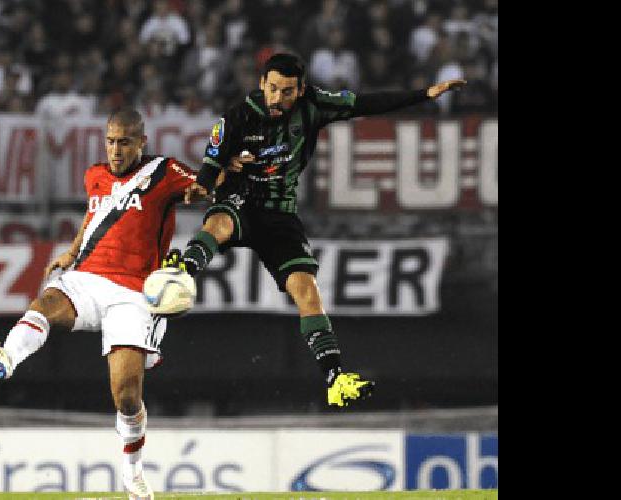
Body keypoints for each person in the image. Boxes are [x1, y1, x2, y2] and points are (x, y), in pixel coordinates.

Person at [167, 53, 466, 407]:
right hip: (241, 199)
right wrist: (201, 187)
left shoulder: (315, 105)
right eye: (273, 89)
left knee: (307, 293)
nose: (279, 98)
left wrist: (423, 94)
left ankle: (335, 377)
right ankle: (182, 271)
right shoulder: (236, 117)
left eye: (288, 91)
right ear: (262, 83)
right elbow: (210, 168)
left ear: (301, 89)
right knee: (219, 223)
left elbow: (366, 104)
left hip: (280, 214)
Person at [0, 108, 208, 500]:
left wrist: (207, 186)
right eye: (110, 140)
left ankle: (132, 475)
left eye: (124, 141)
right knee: (44, 304)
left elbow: (206, 187)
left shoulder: (164, 172)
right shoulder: (95, 175)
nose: (115, 149)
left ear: (141, 142)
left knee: (126, 395)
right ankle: (6, 357)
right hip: (88, 277)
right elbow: (94, 217)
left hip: (134, 293)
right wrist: (71, 253)